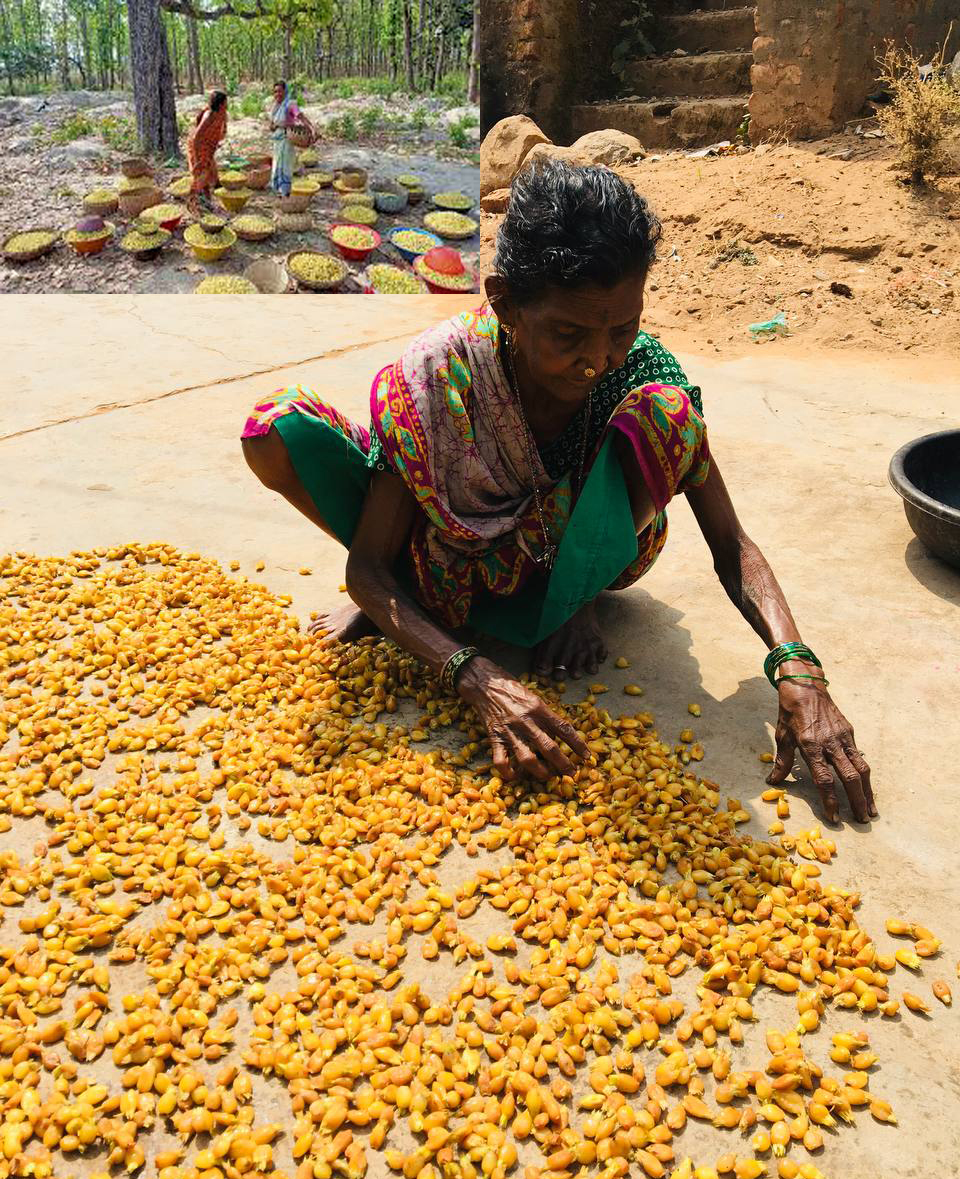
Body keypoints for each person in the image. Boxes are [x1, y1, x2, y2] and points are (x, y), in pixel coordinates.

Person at [241, 158, 876, 825]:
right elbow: (365, 568)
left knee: (670, 417)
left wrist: (799, 670)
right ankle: (417, 602)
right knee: (276, 428)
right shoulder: (442, 375)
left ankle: (571, 599)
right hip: (451, 559)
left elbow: (731, 543)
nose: (598, 360)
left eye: (621, 329)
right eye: (569, 335)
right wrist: (476, 676)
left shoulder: (638, 369)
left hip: (584, 553)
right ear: (506, 304)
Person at [186, 90, 228, 213]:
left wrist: (216, 139)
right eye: (225, 102)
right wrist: (197, 159)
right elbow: (196, 137)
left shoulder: (222, 114)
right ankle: (192, 201)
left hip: (208, 147)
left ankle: (206, 201)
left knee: (209, 173)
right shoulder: (209, 115)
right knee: (202, 174)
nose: (227, 104)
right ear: (220, 104)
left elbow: (221, 130)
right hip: (198, 146)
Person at [268, 80, 301, 198]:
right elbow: (271, 126)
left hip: (287, 141)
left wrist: (312, 129)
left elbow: (300, 117)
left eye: (280, 91)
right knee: (277, 165)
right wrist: (274, 126)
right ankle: (278, 190)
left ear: (285, 91)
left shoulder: (290, 104)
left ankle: (285, 192)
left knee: (286, 167)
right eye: (275, 92)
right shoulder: (275, 107)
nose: (277, 94)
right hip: (277, 142)